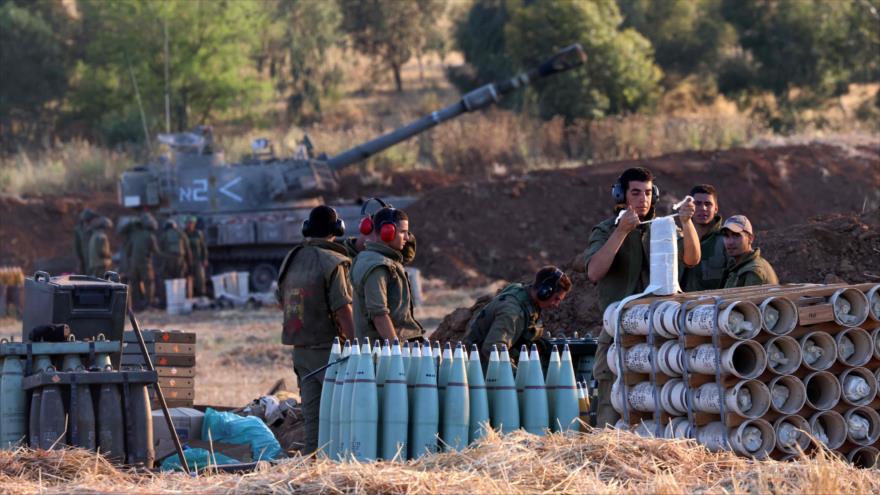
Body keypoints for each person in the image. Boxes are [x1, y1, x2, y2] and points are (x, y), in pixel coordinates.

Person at [582, 167, 700, 427]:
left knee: (659, 413)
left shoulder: (662, 229)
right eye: (635, 193)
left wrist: (687, 223)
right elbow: (594, 271)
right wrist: (621, 232)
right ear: (620, 196)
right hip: (618, 336)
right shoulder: (606, 231)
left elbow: (692, 259)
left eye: (648, 193)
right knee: (611, 417)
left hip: (658, 335)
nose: (643, 199)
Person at [276, 205, 355, 454]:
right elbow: (343, 309)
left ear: (307, 228)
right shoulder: (333, 262)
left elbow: (282, 300)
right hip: (328, 353)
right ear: (337, 229)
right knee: (342, 416)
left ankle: (313, 463)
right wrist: (358, 345)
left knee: (313, 419)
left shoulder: (291, 258)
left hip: (301, 352)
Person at [463, 266, 571, 367]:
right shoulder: (512, 312)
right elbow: (493, 350)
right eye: (556, 299)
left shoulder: (524, 295)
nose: (557, 305)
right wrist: (518, 375)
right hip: (481, 371)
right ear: (545, 291)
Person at [351, 207, 424, 343]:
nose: (407, 238)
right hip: (382, 354)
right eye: (403, 232)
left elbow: (408, 254)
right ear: (387, 232)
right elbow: (379, 315)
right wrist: (396, 352)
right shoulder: (377, 266)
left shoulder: (376, 259)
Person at [681, 184, 728, 291]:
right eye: (697, 204)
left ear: (716, 208)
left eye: (708, 204)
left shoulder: (727, 240)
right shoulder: (680, 241)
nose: (703, 208)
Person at [720, 215, 779, 288]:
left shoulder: (753, 271)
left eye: (736, 236)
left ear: (750, 238)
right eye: (726, 236)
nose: (730, 242)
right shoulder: (738, 265)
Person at [127, 213, 160, 310]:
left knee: (135, 284)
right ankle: (148, 304)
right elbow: (156, 251)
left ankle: (136, 306)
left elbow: (128, 250)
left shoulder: (134, 234)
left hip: (133, 264)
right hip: (145, 264)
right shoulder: (150, 235)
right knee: (149, 283)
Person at [186, 217, 209, 297]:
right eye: (189, 223)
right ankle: (189, 295)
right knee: (188, 278)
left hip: (197, 259)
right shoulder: (184, 234)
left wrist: (205, 258)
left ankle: (202, 294)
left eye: (192, 223)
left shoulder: (198, 234)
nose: (190, 225)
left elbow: (203, 247)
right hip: (187, 260)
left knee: (200, 278)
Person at [74, 208, 98, 273]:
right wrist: (79, 260)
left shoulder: (94, 229)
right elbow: (77, 246)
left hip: (93, 257)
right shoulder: (79, 230)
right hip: (84, 256)